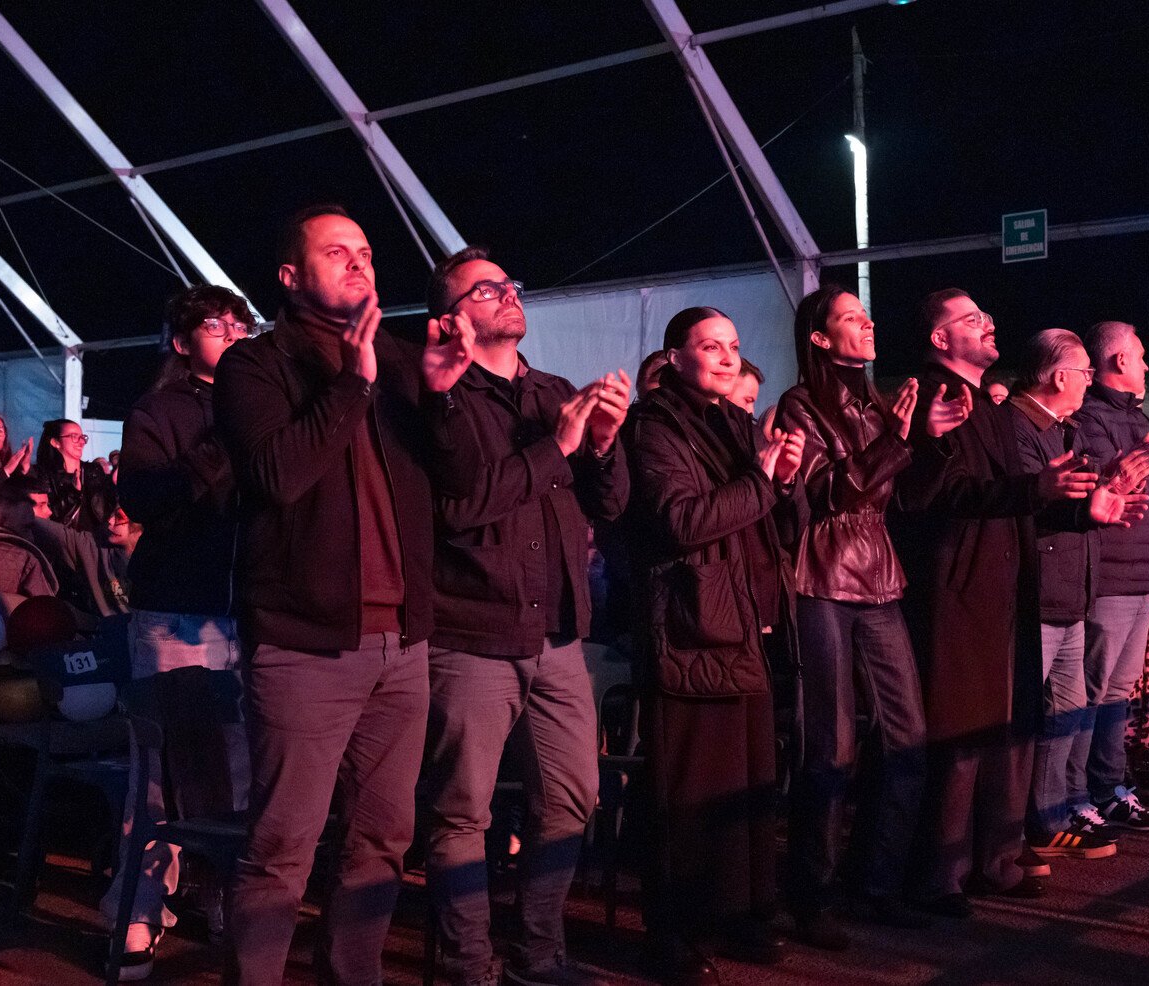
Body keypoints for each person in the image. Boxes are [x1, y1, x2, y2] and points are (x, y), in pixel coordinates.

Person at [215, 204, 476, 986]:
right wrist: (352, 388)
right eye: (338, 252)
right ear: (291, 277)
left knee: (383, 840)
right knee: (282, 848)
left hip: (403, 644)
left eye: (366, 251)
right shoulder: (255, 367)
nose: (361, 262)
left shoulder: (400, 359)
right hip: (304, 645)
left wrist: (440, 396)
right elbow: (276, 476)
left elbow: (460, 487)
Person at [422, 245, 628, 986]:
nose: (507, 294)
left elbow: (607, 505)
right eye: (486, 288)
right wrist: (560, 446)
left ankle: (538, 954)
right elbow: (459, 507)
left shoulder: (554, 391)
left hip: (559, 633)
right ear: (454, 316)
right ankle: (467, 964)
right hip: (473, 629)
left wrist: (602, 447)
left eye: (510, 283)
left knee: (574, 798)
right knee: (462, 812)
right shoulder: (443, 396)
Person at [622, 307, 805, 984]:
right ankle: (674, 933)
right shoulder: (653, 427)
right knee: (691, 790)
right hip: (691, 628)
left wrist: (782, 480)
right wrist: (760, 479)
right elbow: (680, 522)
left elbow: (768, 522)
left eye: (733, 345)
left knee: (749, 782)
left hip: (747, 623)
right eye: (711, 346)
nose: (729, 358)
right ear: (674, 357)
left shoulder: (732, 420)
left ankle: (739, 913)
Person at [775, 285, 958, 946]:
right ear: (820, 338)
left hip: (880, 578)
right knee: (831, 744)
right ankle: (811, 894)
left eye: (866, 313)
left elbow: (905, 500)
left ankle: (876, 882)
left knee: (908, 733)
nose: (868, 322)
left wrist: (929, 443)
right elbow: (832, 495)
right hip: (824, 578)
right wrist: (896, 440)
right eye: (851, 317)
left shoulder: (879, 403)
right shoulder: (799, 405)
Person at [896, 291, 1088, 915]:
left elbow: (1016, 493)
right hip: (959, 585)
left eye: (988, 315)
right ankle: (941, 875)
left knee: (1008, 726)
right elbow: (940, 492)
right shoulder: (934, 397)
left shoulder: (988, 403)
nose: (991, 323)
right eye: (973, 320)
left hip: (1005, 583)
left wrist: (1086, 505)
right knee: (963, 735)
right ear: (940, 339)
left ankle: (995, 858)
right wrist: (1038, 486)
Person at [96, 284, 254, 979]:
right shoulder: (159, 411)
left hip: (253, 611)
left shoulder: (269, 405)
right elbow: (146, 498)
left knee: (244, 771)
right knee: (161, 774)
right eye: (216, 325)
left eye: (239, 322)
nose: (233, 332)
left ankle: (231, 898)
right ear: (183, 342)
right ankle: (137, 910)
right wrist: (222, 441)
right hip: (175, 613)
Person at [1006, 328, 1149, 856]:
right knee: (1037, 714)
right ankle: (1034, 823)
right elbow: (1024, 506)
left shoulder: (1062, 428)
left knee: (1068, 711)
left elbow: (1070, 502)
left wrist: (1106, 491)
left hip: (1074, 590)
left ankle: (1054, 813)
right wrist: (1087, 505)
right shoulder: (1020, 426)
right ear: (1061, 376)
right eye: (1084, 372)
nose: (1091, 379)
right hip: (1041, 593)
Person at [1074, 321, 1149, 831]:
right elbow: (1104, 484)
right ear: (1118, 361)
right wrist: (1144, 460)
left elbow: (1139, 483)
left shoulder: (1133, 415)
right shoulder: (1091, 416)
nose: (1145, 365)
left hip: (1142, 571)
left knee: (1119, 691)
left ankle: (1109, 785)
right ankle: (1077, 794)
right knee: (1092, 690)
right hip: (1112, 573)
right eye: (1140, 356)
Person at [36, 418, 116, 532]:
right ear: (55, 442)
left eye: (83, 437)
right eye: (74, 436)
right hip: (63, 541)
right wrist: (73, 493)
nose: (81, 442)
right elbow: (48, 515)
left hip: (94, 541)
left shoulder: (94, 471)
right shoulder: (46, 474)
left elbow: (108, 506)